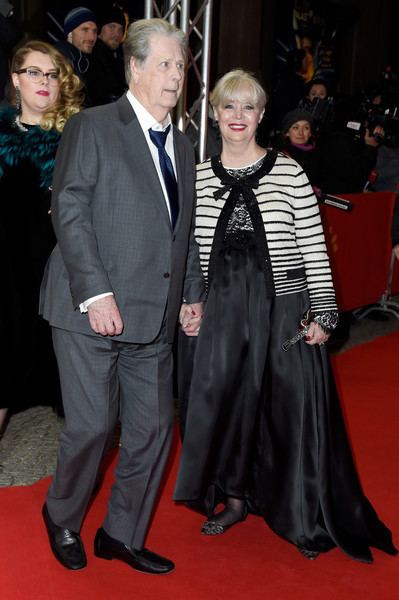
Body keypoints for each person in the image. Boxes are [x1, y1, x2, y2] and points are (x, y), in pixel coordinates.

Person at [174, 69, 397, 564]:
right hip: (225, 315)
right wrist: (194, 303)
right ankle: (234, 500)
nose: (237, 116)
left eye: (247, 107)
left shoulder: (289, 171)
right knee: (230, 409)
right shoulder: (200, 175)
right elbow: (191, 249)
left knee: (289, 410)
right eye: (228, 107)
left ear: (260, 115)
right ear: (214, 113)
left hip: (284, 310)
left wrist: (324, 312)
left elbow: (315, 249)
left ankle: (299, 511)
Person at [40, 18, 205, 574]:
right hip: (90, 308)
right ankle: (62, 516)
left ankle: (121, 532)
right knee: (90, 426)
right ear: (133, 68)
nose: (175, 75)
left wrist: (190, 293)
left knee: (153, 430)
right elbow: (70, 211)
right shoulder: (93, 126)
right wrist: (97, 293)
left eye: (181, 65)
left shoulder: (182, 147)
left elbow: (182, 231)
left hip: (153, 314)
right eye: (164, 63)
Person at [0, 41, 83, 434]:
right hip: (7, 272)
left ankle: (75, 483)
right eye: (34, 72)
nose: (44, 81)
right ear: (16, 79)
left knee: (73, 386)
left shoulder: (79, 137)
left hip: (62, 271)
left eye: (52, 74)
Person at [86, 5, 127, 106]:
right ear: (99, 29)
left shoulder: (120, 56)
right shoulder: (90, 58)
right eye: (112, 27)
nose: (117, 34)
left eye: (120, 29)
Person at [54, 5, 97, 101]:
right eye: (85, 30)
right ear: (70, 33)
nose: (92, 37)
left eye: (94, 31)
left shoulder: (83, 60)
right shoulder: (60, 58)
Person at [278, 108, 320, 185]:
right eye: (295, 128)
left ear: (310, 133)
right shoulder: (282, 156)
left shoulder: (319, 152)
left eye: (306, 128)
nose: (301, 133)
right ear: (287, 133)